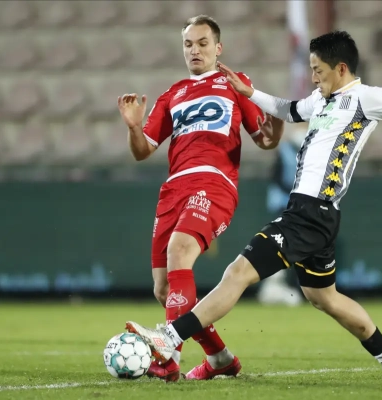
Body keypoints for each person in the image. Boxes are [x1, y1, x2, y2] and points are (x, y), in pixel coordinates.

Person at [124, 30, 382, 379]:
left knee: (238, 272)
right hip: (313, 214)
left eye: (318, 70)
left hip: (311, 212)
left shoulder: (366, 98)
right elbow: (286, 109)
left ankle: (169, 337)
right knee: (324, 297)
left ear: (341, 68)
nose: (313, 77)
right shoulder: (320, 101)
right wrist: (248, 91)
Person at [117, 14, 284, 381]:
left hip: (214, 181)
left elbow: (265, 140)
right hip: (173, 188)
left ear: (218, 48)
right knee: (164, 289)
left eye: (203, 43)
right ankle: (220, 358)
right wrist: (133, 127)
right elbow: (143, 150)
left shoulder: (235, 84)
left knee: (180, 251)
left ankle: (168, 357)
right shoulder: (172, 94)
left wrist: (277, 127)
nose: (195, 50)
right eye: (188, 44)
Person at [257, 125, 304, 306]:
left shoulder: (304, 152)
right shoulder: (283, 151)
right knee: (278, 242)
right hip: (281, 204)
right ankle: (275, 283)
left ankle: (291, 285)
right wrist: (292, 192)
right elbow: (275, 176)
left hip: (295, 206)